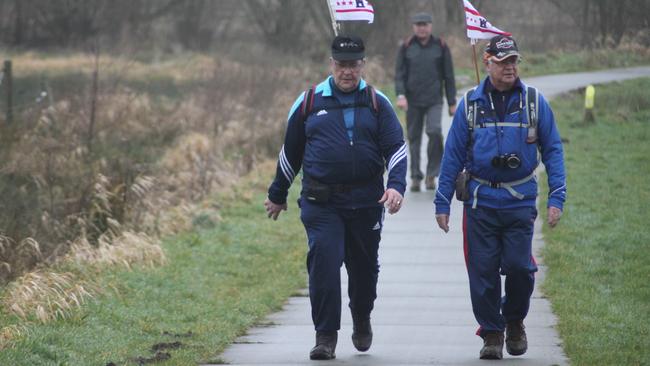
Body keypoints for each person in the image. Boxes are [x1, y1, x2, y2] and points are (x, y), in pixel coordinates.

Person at [264, 35, 407, 361]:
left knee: (364, 271)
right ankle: (325, 336)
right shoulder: (309, 102)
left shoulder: (377, 101)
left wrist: (396, 185)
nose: (347, 72)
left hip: (367, 203)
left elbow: (396, 149)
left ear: (362, 65)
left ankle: (361, 316)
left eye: (353, 65)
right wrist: (278, 194)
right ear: (332, 64)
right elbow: (291, 154)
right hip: (321, 203)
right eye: (342, 65)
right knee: (324, 264)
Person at [434, 35, 566, 360]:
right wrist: (442, 202)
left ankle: (514, 319)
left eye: (514, 61)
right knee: (483, 273)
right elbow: (451, 156)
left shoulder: (534, 102)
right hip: (480, 204)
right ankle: (492, 334)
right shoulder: (470, 105)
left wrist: (557, 197)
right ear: (488, 62)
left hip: (520, 202)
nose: (510, 68)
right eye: (503, 62)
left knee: (520, 268)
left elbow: (553, 150)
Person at [395, 12, 457, 192]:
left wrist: (452, 101)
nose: (422, 28)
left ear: (430, 26)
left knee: (435, 131)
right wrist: (401, 96)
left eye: (425, 24)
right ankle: (415, 177)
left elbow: (449, 75)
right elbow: (399, 74)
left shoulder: (441, 46)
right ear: (414, 27)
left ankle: (432, 173)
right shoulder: (406, 46)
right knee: (413, 138)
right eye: (418, 24)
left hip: (434, 100)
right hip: (412, 100)